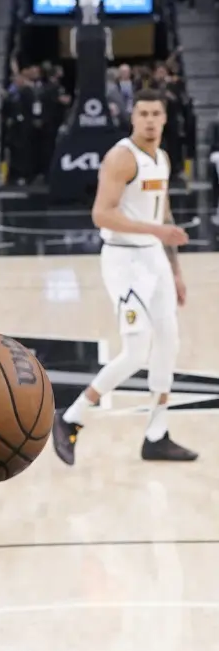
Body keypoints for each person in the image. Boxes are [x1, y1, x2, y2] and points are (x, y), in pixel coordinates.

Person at [52, 88, 197, 464]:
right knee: (135, 351)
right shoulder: (121, 157)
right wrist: (157, 233)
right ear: (133, 118)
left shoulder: (161, 158)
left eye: (156, 113)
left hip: (154, 261)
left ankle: (157, 434)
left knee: (169, 343)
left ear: (164, 119)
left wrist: (176, 270)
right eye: (143, 113)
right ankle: (71, 418)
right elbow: (101, 214)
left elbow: (163, 216)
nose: (149, 120)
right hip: (123, 261)